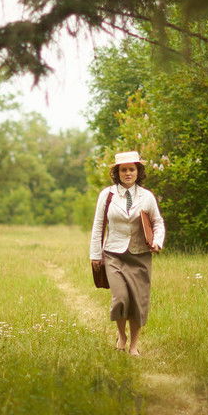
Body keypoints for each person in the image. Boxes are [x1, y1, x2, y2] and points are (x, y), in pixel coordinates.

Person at [89, 151, 165, 356]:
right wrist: (95, 255)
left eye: (132, 169)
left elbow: (157, 222)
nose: (128, 173)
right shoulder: (107, 195)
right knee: (121, 298)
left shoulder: (147, 196)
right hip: (114, 254)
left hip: (140, 256)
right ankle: (122, 336)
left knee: (138, 302)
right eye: (123, 170)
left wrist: (157, 241)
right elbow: (98, 225)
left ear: (138, 171)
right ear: (117, 173)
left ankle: (134, 345)